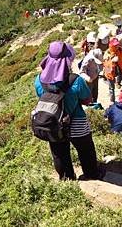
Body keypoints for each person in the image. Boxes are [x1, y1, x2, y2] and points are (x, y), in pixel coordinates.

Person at [34, 41, 102, 181]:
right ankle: (91, 175)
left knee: (59, 153)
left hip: (53, 123)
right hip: (76, 121)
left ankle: (67, 179)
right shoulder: (75, 80)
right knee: (86, 150)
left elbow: (43, 97)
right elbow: (87, 100)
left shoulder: (39, 80)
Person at [104, 37, 122, 102]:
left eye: (117, 44)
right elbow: (106, 65)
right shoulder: (107, 53)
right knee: (111, 88)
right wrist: (112, 61)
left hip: (121, 70)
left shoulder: (120, 50)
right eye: (115, 45)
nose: (116, 46)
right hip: (110, 72)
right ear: (111, 45)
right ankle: (112, 101)